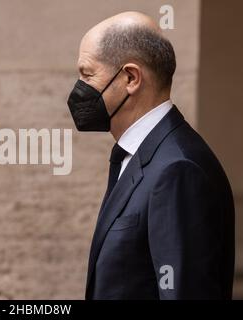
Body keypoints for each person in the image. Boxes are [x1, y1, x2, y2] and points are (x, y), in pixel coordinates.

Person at [67, 11, 234, 299]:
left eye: (87, 74)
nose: (79, 88)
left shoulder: (177, 169)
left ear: (131, 78)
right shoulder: (140, 154)